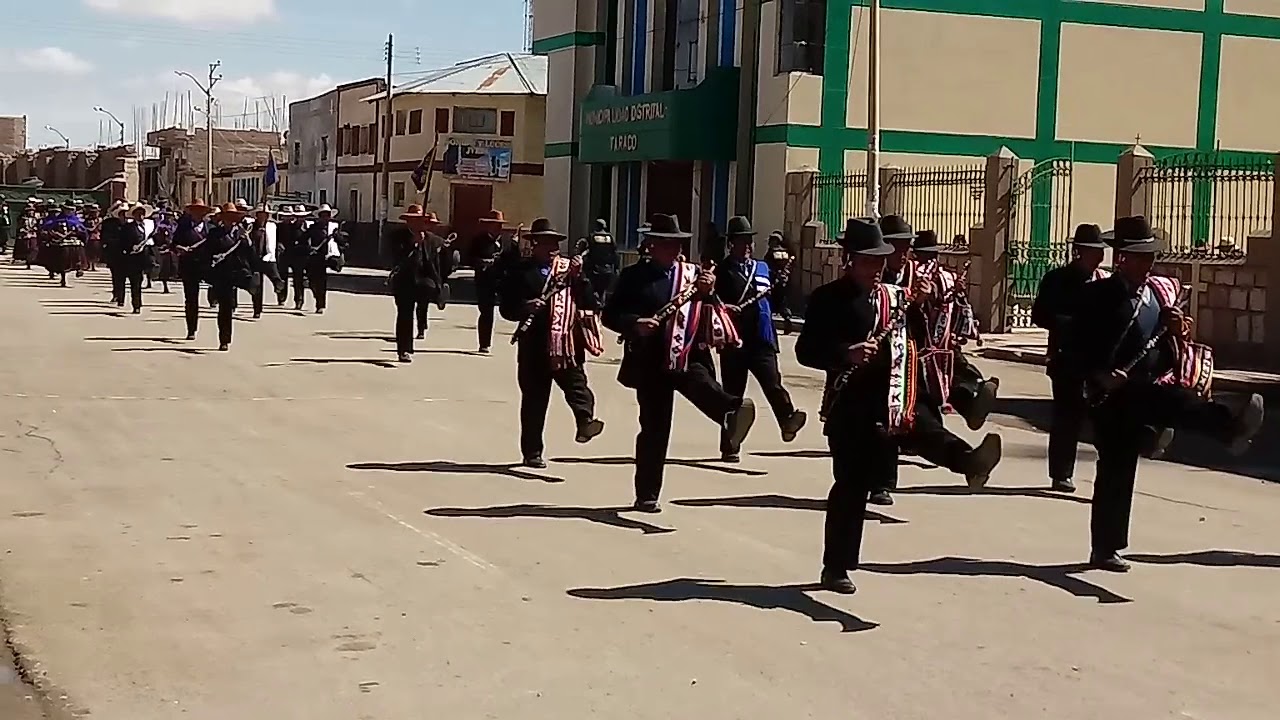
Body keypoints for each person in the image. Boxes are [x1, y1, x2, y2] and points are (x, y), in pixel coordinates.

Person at [1071, 216, 1264, 572]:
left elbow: (1162, 346)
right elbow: (1075, 348)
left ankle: (1227, 426)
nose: (1149, 264)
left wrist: (1178, 329)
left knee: (1180, 403)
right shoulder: (1095, 295)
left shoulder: (1157, 296)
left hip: (1145, 387)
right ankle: (1105, 548)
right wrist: (1099, 374)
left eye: (1151, 257)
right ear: (1123, 258)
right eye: (1142, 257)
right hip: (1108, 396)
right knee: (1117, 469)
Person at [602, 213, 757, 513]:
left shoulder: (692, 275)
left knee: (701, 382)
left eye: (677, 244)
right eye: (667, 244)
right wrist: (635, 323)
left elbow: (715, 310)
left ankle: (731, 413)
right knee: (654, 429)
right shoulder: (633, 277)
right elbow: (610, 316)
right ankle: (647, 494)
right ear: (651, 246)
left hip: (687, 353)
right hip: (649, 360)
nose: (674, 250)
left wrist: (710, 291)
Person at [796, 218, 909, 595]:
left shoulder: (892, 298)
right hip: (846, 405)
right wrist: (846, 353)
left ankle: (967, 459)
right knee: (849, 486)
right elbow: (806, 352)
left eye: (881, 261)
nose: (877, 269)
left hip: (888, 401)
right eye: (869, 261)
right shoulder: (827, 299)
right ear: (850, 260)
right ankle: (836, 567)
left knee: (920, 440)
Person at [871, 215, 1001, 506]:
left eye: (908, 247)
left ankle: (970, 460)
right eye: (898, 247)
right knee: (883, 426)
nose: (905, 254)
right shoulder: (870, 276)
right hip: (874, 368)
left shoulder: (917, 278)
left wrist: (921, 304)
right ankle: (880, 483)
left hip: (909, 365)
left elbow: (921, 328)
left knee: (924, 424)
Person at [500, 218, 607, 467]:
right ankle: (532, 452)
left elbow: (590, 302)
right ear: (534, 244)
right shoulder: (520, 272)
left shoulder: (570, 270)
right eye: (546, 244)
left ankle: (585, 422)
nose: (552, 250)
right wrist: (525, 306)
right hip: (534, 345)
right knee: (534, 401)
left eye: (555, 245)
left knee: (578, 388)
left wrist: (580, 279)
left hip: (566, 344)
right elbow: (507, 307)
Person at [714, 216, 806, 462]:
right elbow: (713, 303)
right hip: (736, 340)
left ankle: (787, 419)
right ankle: (730, 444)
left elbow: (772, 300)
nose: (747, 246)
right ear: (731, 244)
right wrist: (726, 309)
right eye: (741, 242)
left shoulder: (762, 268)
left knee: (772, 382)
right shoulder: (722, 271)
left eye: (749, 242)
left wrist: (782, 293)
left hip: (762, 337)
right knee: (733, 393)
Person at [1031, 223, 1112, 492]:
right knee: (1068, 418)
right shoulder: (1056, 280)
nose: (1098, 256)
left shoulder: (1104, 282)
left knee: (1106, 417)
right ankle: (1061, 473)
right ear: (1078, 252)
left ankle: (1110, 472)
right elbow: (1039, 315)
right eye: (1092, 251)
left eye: (1100, 251)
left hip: (1099, 361)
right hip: (1066, 359)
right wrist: (1072, 324)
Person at [389, 205, 447, 362]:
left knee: (425, 299)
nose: (417, 224)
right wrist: (412, 243)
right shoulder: (397, 236)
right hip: (404, 280)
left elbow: (435, 264)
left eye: (420, 221)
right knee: (405, 314)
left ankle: (425, 320)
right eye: (413, 220)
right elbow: (395, 258)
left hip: (424, 279)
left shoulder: (431, 239)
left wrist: (439, 284)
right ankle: (404, 349)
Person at [203, 203, 257, 351]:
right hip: (222, 273)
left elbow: (251, 255)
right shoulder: (215, 233)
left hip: (239, 271)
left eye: (233, 218)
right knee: (225, 308)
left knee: (253, 285)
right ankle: (224, 339)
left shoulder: (242, 233)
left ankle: (253, 294)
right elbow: (207, 252)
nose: (231, 221)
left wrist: (248, 241)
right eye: (228, 217)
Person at [467, 209, 514, 353]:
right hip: (484, 280)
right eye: (494, 224)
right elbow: (469, 258)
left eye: (499, 225)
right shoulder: (478, 241)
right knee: (486, 311)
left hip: (502, 280)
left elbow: (514, 261)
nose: (498, 228)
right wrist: (482, 262)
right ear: (488, 225)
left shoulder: (507, 242)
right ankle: (484, 343)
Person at [172, 199, 213, 340]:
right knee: (191, 299)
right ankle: (191, 329)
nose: (198, 214)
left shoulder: (211, 229)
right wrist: (179, 248)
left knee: (218, 291)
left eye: (200, 211)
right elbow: (174, 243)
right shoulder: (183, 227)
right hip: (189, 266)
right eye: (195, 211)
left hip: (207, 266)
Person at [296, 204, 344, 314]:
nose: (325, 218)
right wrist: (309, 248)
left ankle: (320, 304)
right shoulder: (313, 228)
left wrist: (337, 237)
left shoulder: (334, 228)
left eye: (327, 215)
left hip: (327, 257)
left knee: (322, 282)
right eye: (323, 215)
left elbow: (342, 243)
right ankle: (316, 295)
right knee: (312, 281)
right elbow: (302, 239)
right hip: (314, 257)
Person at [248, 205, 287, 318]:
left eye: (264, 215)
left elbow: (278, 238)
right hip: (255, 258)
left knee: (275, 275)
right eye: (260, 214)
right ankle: (257, 309)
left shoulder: (272, 226)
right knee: (257, 285)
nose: (262, 217)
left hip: (269, 257)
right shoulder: (251, 226)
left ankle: (278, 285)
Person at [115, 203, 154, 313]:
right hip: (131, 258)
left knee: (139, 282)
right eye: (138, 214)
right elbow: (122, 242)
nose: (141, 216)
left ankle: (137, 304)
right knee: (133, 282)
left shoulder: (148, 226)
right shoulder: (128, 228)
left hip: (144, 257)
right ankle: (132, 303)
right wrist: (131, 247)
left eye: (142, 214)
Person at [574, 218, 618, 306]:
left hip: (594, 269)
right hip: (607, 270)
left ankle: (596, 307)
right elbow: (615, 254)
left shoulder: (592, 237)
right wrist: (616, 268)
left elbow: (586, 251)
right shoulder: (610, 237)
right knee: (603, 291)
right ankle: (601, 305)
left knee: (592, 290)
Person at [763, 231, 795, 335]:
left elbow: (767, 266)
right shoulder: (786, 253)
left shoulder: (772, 253)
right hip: (784, 282)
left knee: (771, 304)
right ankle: (787, 319)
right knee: (783, 303)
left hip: (774, 282)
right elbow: (791, 266)